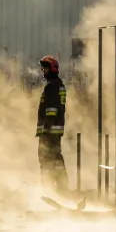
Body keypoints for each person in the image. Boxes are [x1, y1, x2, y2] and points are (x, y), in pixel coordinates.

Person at [35, 55, 68, 191]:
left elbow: (51, 110)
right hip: (55, 131)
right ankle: (62, 187)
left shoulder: (52, 86)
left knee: (46, 160)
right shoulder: (57, 85)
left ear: (53, 69)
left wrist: (45, 130)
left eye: (46, 68)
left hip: (49, 131)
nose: (44, 70)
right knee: (56, 159)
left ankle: (48, 188)